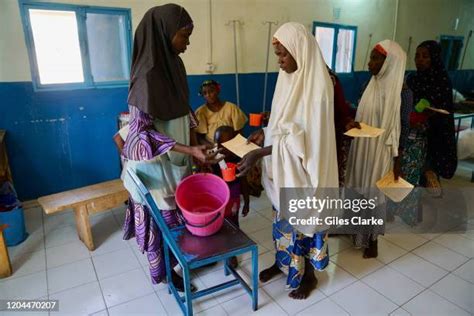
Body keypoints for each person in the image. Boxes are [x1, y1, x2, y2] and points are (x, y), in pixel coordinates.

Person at [120, 4, 220, 292]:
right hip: (152, 168)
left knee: (176, 221)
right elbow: (140, 136)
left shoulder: (174, 65)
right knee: (160, 225)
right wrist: (190, 151)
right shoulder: (147, 76)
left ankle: (179, 263)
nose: (187, 43)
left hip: (173, 162)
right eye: (184, 35)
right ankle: (165, 276)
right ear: (164, 33)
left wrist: (199, 140)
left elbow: (181, 110)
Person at [237, 22, 338, 300]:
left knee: (305, 223)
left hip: (306, 173)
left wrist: (262, 152)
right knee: (283, 220)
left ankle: (309, 276)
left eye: (284, 55)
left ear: (299, 51)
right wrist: (265, 134)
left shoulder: (318, 89)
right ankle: (283, 264)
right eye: (278, 55)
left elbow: (308, 144)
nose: (280, 61)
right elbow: (284, 126)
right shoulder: (287, 80)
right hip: (285, 170)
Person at [345, 40, 407, 258]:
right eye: (371, 57)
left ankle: (372, 240)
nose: (370, 63)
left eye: (375, 58)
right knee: (356, 185)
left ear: (389, 62)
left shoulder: (401, 93)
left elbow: (403, 129)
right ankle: (353, 230)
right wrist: (353, 124)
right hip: (362, 145)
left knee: (373, 193)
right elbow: (364, 116)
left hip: (379, 151)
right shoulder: (370, 85)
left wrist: (397, 162)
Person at [406, 40, 457, 194]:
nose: (419, 59)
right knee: (411, 178)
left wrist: (428, 116)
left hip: (435, 136)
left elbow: (443, 110)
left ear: (434, 58)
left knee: (429, 178)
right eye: (417, 56)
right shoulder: (412, 79)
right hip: (413, 135)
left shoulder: (441, 81)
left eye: (425, 56)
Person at [212, 125, 250, 268]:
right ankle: (217, 249)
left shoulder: (239, 160)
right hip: (217, 202)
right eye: (217, 144)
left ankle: (231, 253)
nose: (220, 149)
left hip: (233, 202)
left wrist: (246, 202)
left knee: (233, 226)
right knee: (216, 226)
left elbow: (244, 183)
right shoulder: (214, 160)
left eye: (225, 145)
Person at [194, 80, 248, 146]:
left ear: (218, 91)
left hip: (232, 145)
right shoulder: (201, 112)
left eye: (211, 91)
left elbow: (239, 132)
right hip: (211, 146)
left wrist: (234, 146)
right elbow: (199, 137)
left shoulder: (231, 108)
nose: (208, 95)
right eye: (205, 93)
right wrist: (212, 147)